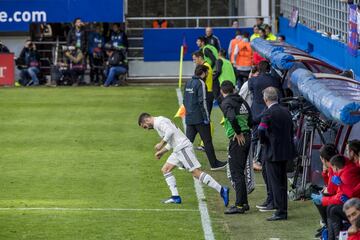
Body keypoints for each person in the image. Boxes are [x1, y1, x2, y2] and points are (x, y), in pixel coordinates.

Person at [138, 113, 230, 206]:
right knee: (165, 169)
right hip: (178, 150)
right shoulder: (159, 121)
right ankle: (175, 197)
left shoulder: (159, 122)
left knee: (196, 173)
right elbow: (171, 139)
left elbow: (170, 132)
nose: (147, 129)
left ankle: (222, 189)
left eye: (145, 126)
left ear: (146, 120)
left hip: (183, 148)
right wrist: (162, 152)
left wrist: (161, 143)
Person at [257, 87, 295, 221]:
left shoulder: (268, 113)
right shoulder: (286, 111)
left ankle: (280, 211)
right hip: (286, 150)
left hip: (272, 152)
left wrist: (264, 141)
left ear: (265, 99)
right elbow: (292, 130)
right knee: (283, 182)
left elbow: (261, 129)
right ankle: (282, 209)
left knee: (275, 182)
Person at [183, 65, 227, 170]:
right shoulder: (201, 83)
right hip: (200, 119)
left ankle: (182, 163)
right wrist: (206, 118)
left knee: (187, 142)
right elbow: (203, 102)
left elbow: (185, 101)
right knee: (207, 141)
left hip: (189, 118)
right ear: (203, 73)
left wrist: (189, 113)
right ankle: (214, 164)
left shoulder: (188, 83)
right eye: (207, 73)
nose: (208, 75)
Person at [220, 81, 252, 214]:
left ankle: (239, 205)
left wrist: (238, 133)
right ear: (233, 89)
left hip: (238, 139)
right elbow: (251, 117)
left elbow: (231, 117)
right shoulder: (242, 101)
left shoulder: (226, 102)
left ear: (222, 91)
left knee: (236, 173)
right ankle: (244, 203)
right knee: (240, 171)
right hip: (247, 136)